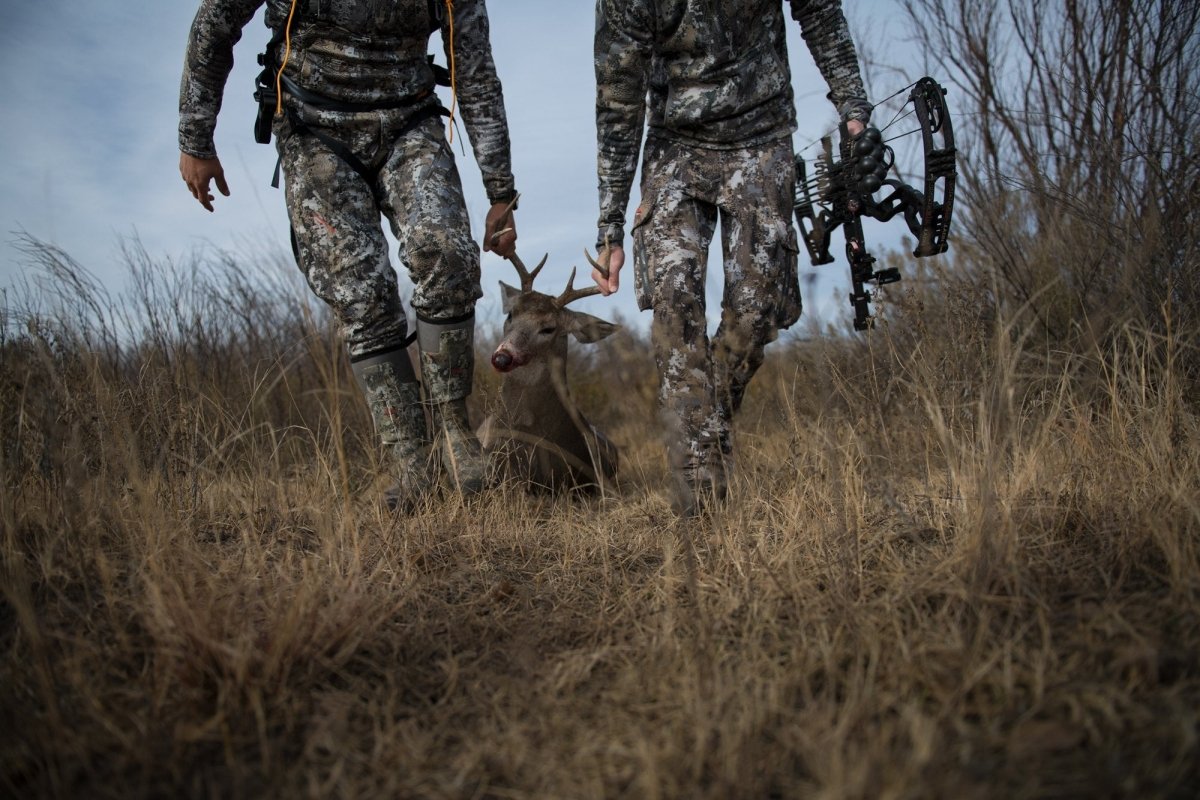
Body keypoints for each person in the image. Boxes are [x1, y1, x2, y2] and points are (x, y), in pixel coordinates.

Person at [178, 0, 519, 508]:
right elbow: (216, 21)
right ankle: (412, 462)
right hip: (313, 125)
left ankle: (455, 432)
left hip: (410, 121)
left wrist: (500, 192)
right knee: (358, 289)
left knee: (447, 254)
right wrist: (195, 138)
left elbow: (475, 68)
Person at [589, 0, 872, 517]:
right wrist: (610, 223)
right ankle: (700, 496)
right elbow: (618, 97)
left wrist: (854, 109)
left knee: (755, 312)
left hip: (761, 136)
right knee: (675, 309)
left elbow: (821, 13)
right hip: (675, 145)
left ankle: (704, 424)